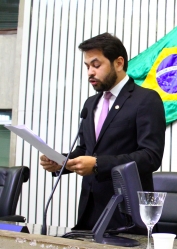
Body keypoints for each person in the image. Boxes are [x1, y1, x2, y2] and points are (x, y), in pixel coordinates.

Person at [40, 33, 166, 233]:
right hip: (89, 213)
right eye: (87, 66)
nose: (90, 72)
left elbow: (150, 156)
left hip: (126, 215)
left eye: (96, 65)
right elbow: (85, 149)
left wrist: (98, 165)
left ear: (118, 63)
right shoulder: (91, 104)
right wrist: (61, 162)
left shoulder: (146, 100)